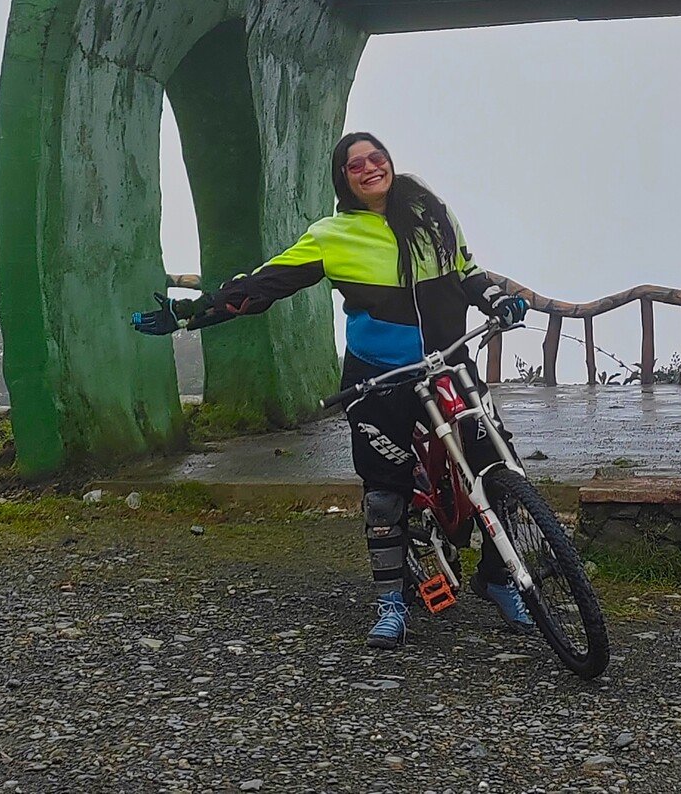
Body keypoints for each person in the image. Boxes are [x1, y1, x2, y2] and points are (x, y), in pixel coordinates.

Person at [132, 132, 531, 650]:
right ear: (342, 179)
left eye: (376, 157)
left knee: (502, 470)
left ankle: (497, 578)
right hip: (379, 376)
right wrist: (190, 313)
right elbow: (263, 285)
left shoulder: (433, 215)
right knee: (384, 491)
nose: (369, 168)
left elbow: (467, 271)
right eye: (354, 165)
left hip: (448, 365)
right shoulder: (331, 236)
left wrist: (497, 298)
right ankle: (391, 602)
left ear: (390, 161)